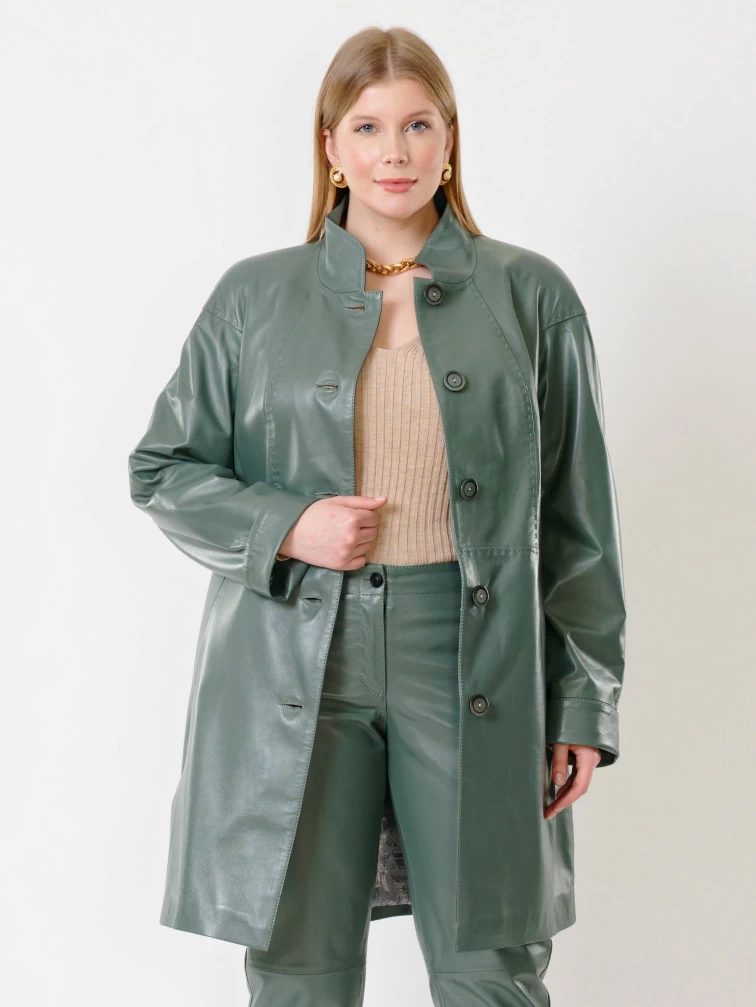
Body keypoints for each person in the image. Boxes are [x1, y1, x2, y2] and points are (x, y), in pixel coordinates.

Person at [128, 25, 626, 1007]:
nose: (393, 151)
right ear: (331, 146)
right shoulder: (253, 298)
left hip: (477, 655)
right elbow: (163, 468)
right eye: (367, 127)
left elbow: (580, 522)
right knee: (298, 969)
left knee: (492, 966)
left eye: (417, 125)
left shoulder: (531, 296)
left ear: (450, 140)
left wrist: (582, 703)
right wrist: (288, 526)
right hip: (296, 654)